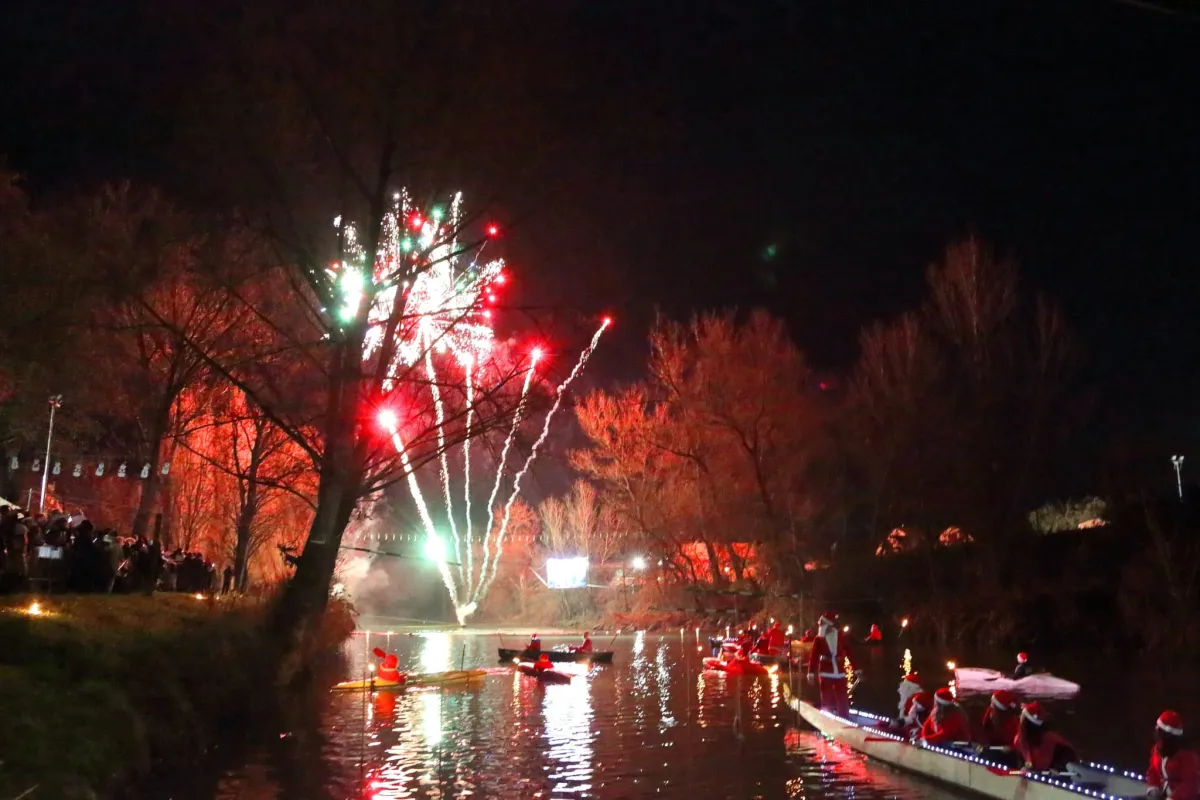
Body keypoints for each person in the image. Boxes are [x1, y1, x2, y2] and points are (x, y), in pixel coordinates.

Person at [806, 612, 855, 716]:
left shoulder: (841, 637)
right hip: (825, 671)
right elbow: (813, 657)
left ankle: (844, 715)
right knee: (826, 697)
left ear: (830, 625)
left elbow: (850, 653)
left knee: (842, 696)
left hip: (839, 671)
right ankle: (827, 715)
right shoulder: (819, 639)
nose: (821, 627)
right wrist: (811, 673)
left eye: (823, 624)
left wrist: (857, 669)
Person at [1147, 711, 1200, 800]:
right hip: (1166, 795)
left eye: (1158, 729)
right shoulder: (1158, 749)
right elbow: (1153, 770)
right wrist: (1153, 786)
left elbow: (1190, 784)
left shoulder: (1186, 756)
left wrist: (1174, 797)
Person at [1015, 702, 1077, 771]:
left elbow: (1068, 754)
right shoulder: (1020, 740)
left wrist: (1057, 768)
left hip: (1053, 773)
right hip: (1035, 773)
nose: (1019, 718)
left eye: (1022, 716)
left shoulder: (1051, 738)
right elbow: (1026, 759)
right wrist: (1025, 767)